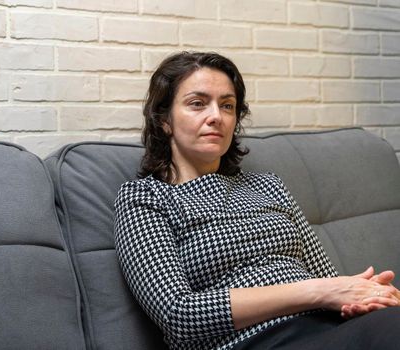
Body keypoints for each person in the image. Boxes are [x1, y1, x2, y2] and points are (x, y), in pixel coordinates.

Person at [113, 51, 400, 350]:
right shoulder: (144, 197)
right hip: (251, 341)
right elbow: (178, 315)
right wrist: (320, 292)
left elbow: (327, 279)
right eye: (197, 103)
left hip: (327, 328)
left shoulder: (268, 185)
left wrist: (369, 294)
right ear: (165, 121)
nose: (216, 116)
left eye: (227, 106)